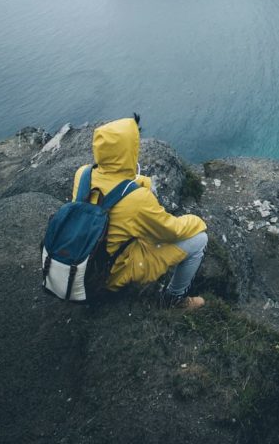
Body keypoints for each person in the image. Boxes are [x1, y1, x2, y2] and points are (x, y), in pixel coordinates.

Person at [72, 116, 208, 310]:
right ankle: (174, 298)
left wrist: (139, 182)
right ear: (129, 150)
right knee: (199, 240)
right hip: (111, 273)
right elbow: (172, 232)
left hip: (83, 259)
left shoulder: (83, 174)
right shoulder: (137, 199)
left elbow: (111, 188)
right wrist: (196, 221)